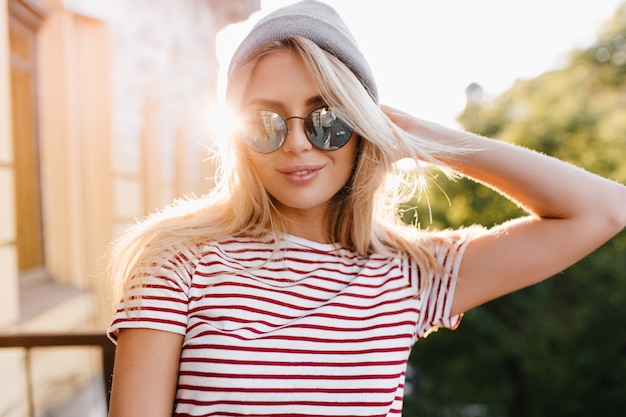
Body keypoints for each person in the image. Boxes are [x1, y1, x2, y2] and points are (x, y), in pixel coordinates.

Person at [105, 1, 626, 416]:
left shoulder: (412, 273)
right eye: (266, 121)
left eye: (326, 118)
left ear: (360, 126)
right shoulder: (174, 261)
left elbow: (604, 210)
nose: (298, 145)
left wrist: (422, 136)